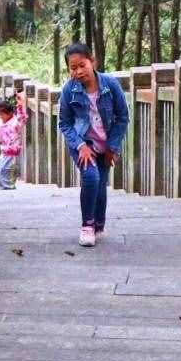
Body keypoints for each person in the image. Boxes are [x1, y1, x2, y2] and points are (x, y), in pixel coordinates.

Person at [56, 41, 129, 247]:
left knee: (101, 184)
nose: (78, 71)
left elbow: (122, 116)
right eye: (73, 68)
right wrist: (80, 145)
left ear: (92, 61)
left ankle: (98, 224)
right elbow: (64, 122)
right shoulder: (69, 91)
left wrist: (113, 146)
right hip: (83, 145)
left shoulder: (110, 84)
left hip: (106, 145)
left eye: (82, 65)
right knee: (91, 177)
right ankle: (87, 226)